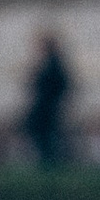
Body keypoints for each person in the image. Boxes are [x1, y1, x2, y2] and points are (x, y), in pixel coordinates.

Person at [21, 33, 73, 169]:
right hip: (45, 106)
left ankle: (50, 162)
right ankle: (49, 161)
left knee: (46, 135)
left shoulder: (54, 64)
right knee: (44, 135)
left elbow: (62, 85)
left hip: (47, 107)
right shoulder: (48, 63)